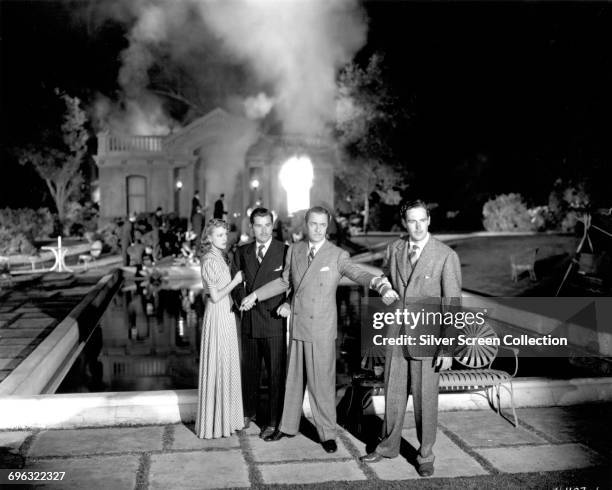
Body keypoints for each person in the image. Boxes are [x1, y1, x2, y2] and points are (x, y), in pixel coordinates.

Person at [240, 206, 393, 453]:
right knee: (293, 381)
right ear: (306, 224)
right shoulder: (296, 251)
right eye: (313, 224)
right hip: (299, 324)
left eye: (323, 224)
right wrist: (256, 295)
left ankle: (327, 434)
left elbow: (357, 273)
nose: (318, 229)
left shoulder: (337, 255)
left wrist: (379, 284)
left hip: (321, 328)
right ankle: (286, 426)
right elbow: (285, 282)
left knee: (322, 384)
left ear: (328, 224)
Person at [359, 199, 462, 478]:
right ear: (405, 222)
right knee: (392, 393)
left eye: (422, 220)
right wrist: (383, 288)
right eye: (411, 221)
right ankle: (387, 446)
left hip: (428, 340)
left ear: (429, 220)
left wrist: (448, 348)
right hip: (395, 335)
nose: (417, 226)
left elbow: (452, 305)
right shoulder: (395, 248)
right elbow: (385, 278)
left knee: (425, 400)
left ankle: (425, 455)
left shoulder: (444, 255)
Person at [232, 207, 288, 440]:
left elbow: (294, 283)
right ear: (251, 227)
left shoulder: (285, 251)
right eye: (258, 225)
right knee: (249, 372)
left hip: (274, 321)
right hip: (250, 321)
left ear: (272, 226)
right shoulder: (242, 252)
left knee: (276, 374)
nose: (263, 230)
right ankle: (248, 412)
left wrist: (289, 304)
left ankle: (274, 421)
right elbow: (235, 282)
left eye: (267, 225)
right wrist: (241, 302)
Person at [195, 219, 245, 439]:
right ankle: (214, 424)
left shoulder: (220, 257)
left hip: (226, 314)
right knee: (219, 363)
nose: (224, 238)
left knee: (227, 363)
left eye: (225, 234)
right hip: (217, 315)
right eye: (218, 235)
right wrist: (236, 281)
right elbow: (214, 296)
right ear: (209, 238)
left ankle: (227, 420)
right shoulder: (209, 260)